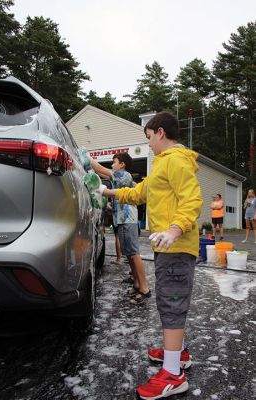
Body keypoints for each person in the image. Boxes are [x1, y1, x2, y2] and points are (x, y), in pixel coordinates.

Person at [98, 112, 203, 399]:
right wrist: (107, 191)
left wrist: (175, 229)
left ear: (159, 132)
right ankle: (178, 354)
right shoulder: (163, 164)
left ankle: (173, 374)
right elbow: (140, 192)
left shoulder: (176, 161)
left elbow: (192, 198)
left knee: (172, 301)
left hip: (176, 245)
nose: (148, 146)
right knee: (171, 299)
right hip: (167, 245)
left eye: (148, 139)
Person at [90, 152, 150, 305]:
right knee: (129, 254)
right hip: (121, 220)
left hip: (128, 220)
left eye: (114, 161)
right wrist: (109, 206)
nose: (112, 164)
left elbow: (99, 169)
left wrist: (87, 158)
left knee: (134, 254)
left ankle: (145, 289)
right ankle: (137, 284)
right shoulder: (118, 177)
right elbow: (100, 172)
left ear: (122, 164)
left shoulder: (125, 175)